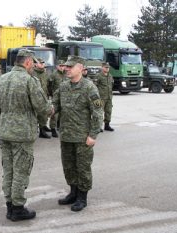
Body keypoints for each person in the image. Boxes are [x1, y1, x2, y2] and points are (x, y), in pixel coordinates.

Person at [0, 49, 53, 221]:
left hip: (5, 133)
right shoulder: (29, 80)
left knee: (8, 170)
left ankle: (10, 206)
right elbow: (42, 106)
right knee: (21, 170)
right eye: (33, 63)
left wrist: (1, 127)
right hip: (22, 134)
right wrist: (51, 110)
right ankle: (18, 208)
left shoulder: (1, 79)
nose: (34, 66)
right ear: (27, 62)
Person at [52, 56, 103, 212]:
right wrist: (46, 110)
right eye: (66, 66)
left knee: (83, 167)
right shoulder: (63, 86)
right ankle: (73, 193)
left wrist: (93, 135)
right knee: (68, 166)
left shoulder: (89, 87)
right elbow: (55, 105)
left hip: (82, 137)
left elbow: (98, 112)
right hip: (66, 135)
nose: (67, 69)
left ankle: (82, 197)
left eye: (71, 67)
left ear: (80, 68)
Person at [48, 60, 67, 138]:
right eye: (60, 66)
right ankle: (53, 128)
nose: (62, 67)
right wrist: (51, 94)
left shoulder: (66, 74)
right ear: (57, 66)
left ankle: (59, 126)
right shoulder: (53, 75)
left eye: (63, 66)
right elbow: (49, 85)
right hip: (56, 96)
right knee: (54, 113)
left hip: (65, 96)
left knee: (63, 112)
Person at [33, 57, 51, 139]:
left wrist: (49, 94)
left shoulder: (45, 73)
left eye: (43, 63)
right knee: (34, 115)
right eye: (40, 63)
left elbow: (48, 84)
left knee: (44, 114)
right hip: (35, 97)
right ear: (36, 64)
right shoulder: (32, 73)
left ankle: (42, 130)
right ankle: (33, 131)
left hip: (44, 97)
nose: (42, 64)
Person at [95, 62, 114, 131]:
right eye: (106, 67)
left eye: (108, 67)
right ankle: (98, 127)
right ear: (102, 67)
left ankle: (107, 125)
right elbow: (94, 86)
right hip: (101, 98)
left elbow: (111, 85)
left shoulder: (110, 76)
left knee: (108, 111)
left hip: (109, 97)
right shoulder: (98, 76)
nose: (107, 68)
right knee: (99, 112)